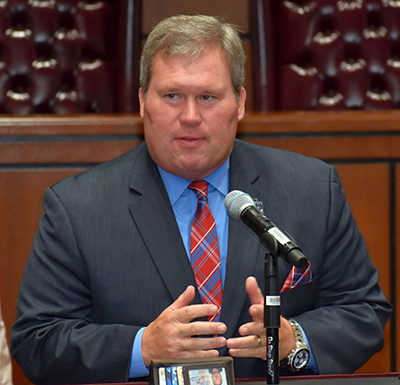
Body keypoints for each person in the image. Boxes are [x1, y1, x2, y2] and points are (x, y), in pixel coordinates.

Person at [11, 14, 391, 384]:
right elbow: (38, 342)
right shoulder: (77, 207)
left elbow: (364, 312)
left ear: (240, 103)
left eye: (208, 96)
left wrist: (293, 339)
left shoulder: (312, 188)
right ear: (143, 101)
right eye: (172, 95)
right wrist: (142, 347)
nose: (190, 116)